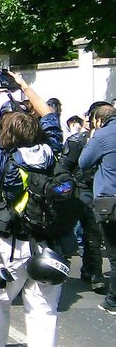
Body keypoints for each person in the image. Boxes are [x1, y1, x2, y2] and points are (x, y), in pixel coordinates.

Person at [0, 71, 66, 347]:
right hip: (49, 243)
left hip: (12, 245)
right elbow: (49, 116)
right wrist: (24, 85)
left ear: (7, 136)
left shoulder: (6, 164)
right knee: (44, 312)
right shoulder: (52, 151)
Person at [62, 102, 111, 292]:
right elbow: (64, 167)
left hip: (97, 191)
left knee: (92, 233)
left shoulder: (107, 139)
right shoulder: (76, 141)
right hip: (77, 191)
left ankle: (94, 272)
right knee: (70, 232)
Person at [78, 103, 116, 314]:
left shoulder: (102, 136)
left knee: (114, 253)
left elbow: (84, 162)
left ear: (99, 120)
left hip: (110, 201)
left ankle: (113, 300)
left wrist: (94, 136)